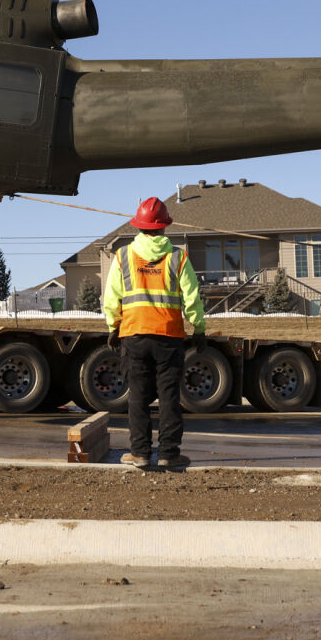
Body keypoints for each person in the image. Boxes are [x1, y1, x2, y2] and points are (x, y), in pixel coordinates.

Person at [103, 196, 205, 470]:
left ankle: (140, 453)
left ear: (139, 226)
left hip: (134, 335)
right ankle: (169, 454)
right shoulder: (177, 257)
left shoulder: (123, 256)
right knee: (169, 396)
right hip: (169, 337)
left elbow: (111, 297)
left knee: (137, 396)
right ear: (163, 227)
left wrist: (114, 327)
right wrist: (199, 327)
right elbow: (192, 297)